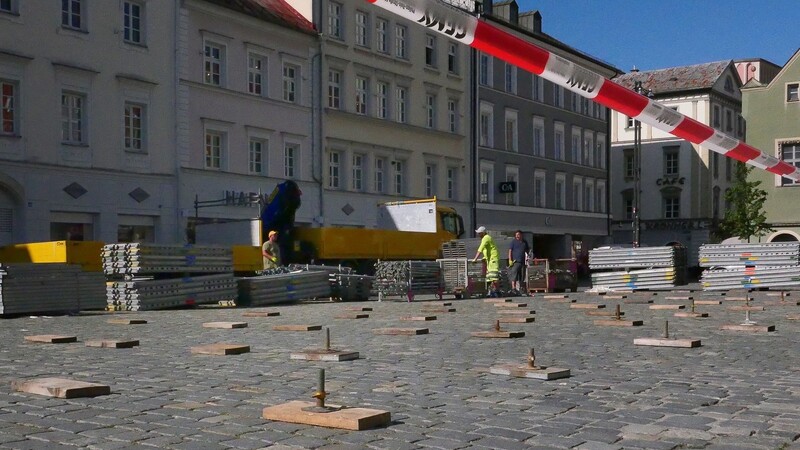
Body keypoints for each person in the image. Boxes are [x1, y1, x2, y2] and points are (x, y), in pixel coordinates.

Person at [472, 226, 501, 297]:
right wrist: (484, 257)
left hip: (493, 259)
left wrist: (475, 258)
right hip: (489, 260)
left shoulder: (486, 238)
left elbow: (480, 248)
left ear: (483, 233)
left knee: (494, 277)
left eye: (479, 233)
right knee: (489, 277)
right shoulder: (485, 238)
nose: (478, 235)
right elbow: (486, 249)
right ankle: (491, 291)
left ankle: (496, 291)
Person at [507, 230, 530, 296]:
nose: (517, 236)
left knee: (522, 276)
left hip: (522, 262)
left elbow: (527, 251)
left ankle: (521, 288)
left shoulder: (524, 242)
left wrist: (528, 258)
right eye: (516, 234)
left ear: (521, 235)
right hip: (515, 262)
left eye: (518, 234)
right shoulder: (513, 242)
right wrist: (510, 260)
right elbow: (510, 250)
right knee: (514, 275)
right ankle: (513, 288)